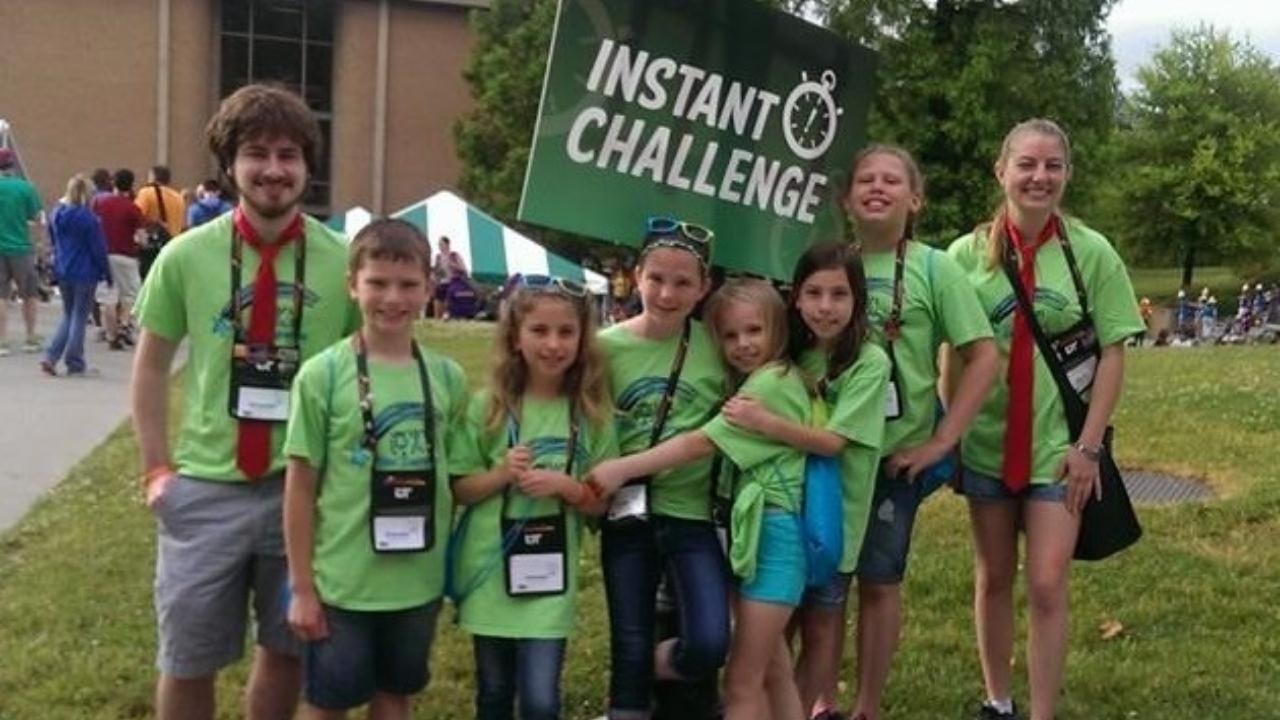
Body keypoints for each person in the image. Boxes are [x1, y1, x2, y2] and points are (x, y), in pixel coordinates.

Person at [130, 84, 360, 720]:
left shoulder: (343, 264)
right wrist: (157, 470)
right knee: (187, 656)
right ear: (229, 165)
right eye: (256, 153)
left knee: (288, 648)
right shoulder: (184, 258)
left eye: (289, 154)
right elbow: (150, 368)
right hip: (206, 488)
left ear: (308, 166)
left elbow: (357, 377)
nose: (274, 169)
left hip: (303, 487)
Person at [946, 118, 1144, 720]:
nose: (1039, 176)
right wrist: (949, 435)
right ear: (1001, 170)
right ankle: (998, 701)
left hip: (1058, 449)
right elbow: (952, 354)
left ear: (1066, 175)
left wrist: (1089, 449)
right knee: (994, 576)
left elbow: (1114, 350)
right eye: (1027, 164)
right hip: (986, 443)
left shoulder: (1090, 252)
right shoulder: (964, 256)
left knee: (1048, 583)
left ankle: (1041, 713)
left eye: (1052, 166)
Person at [592, 278, 822, 720]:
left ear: (777, 327)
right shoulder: (766, 379)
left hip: (770, 537)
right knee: (772, 668)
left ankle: (638, 674)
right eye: (730, 336)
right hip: (757, 534)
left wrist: (622, 468)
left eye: (754, 331)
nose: (742, 345)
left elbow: (699, 444)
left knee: (740, 681)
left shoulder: (767, 386)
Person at [283, 219, 467, 719]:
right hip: (343, 584)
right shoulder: (321, 376)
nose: (393, 297)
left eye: (408, 285)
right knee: (327, 701)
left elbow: (461, 478)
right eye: (377, 283)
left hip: (418, 582)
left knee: (395, 694)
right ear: (352, 286)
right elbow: (299, 488)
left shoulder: (447, 377)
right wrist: (302, 587)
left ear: (429, 288)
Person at [839, 146, 997, 720]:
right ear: (846, 197)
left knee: (879, 583)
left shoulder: (935, 268)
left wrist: (942, 440)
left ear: (915, 198)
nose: (877, 188)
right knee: (820, 590)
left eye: (891, 180)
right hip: (827, 454)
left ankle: (865, 707)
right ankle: (809, 702)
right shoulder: (829, 262)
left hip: (893, 460)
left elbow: (983, 355)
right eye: (864, 179)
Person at [712, 241, 897, 720]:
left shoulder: (869, 361)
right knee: (774, 630)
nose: (825, 307)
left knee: (820, 626)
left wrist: (765, 423)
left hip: (833, 519)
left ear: (858, 299)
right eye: (814, 293)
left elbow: (833, 442)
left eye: (839, 294)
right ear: (795, 298)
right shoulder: (786, 352)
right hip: (780, 517)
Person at [447, 273, 617, 720]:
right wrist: (502, 474)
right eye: (539, 331)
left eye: (566, 332)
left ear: (583, 339)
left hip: (550, 576)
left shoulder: (592, 416)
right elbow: (460, 489)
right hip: (490, 571)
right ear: (515, 337)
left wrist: (570, 487)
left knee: (541, 699)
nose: (553, 344)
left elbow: (601, 503)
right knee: (495, 692)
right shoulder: (488, 407)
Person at [595, 218, 729, 720]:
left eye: (682, 282)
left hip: (692, 515)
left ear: (704, 287)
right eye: (656, 279)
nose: (667, 293)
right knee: (627, 635)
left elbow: (713, 437)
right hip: (626, 517)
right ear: (636, 275)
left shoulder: (717, 348)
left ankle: (654, 670)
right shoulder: (605, 348)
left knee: (710, 639)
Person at [41, 174, 110, 376]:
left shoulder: (57, 215)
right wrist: (106, 271)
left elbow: (53, 241)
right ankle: (75, 361)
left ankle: (51, 357)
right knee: (79, 316)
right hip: (85, 272)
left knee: (68, 314)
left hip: (64, 269)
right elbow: (98, 249)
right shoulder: (90, 220)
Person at [93, 168, 146, 350]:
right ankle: (124, 324)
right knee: (131, 294)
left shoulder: (100, 204)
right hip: (126, 255)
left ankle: (111, 335)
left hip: (103, 254)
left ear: (113, 183)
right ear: (131, 185)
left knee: (108, 297)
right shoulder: (133, 208)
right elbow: (141, 237)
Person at [0, 146, 45, 356]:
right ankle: (30, 337)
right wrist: (40, 244)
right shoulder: (26, 188)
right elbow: (37, 219)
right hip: (21, 248)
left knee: (1, 297)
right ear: (12, 165)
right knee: (29, 294)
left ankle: (2, 341)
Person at [135, 164, 186, 279]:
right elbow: (182, 224)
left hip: (153, 247)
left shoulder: (146, 192)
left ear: (153, 177)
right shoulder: (178, 197)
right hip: (173, 245)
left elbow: (137, 216)